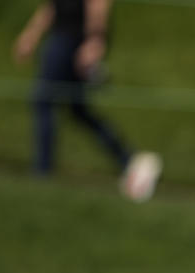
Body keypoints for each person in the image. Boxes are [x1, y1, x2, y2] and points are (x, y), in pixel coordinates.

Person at [13, 0, 160, 201]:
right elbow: (52, 7)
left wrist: (95, 40)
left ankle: (42, 172)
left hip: (72, 39)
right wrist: (31, 34)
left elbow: (98, 3)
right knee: (78, 109)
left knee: (44, 101)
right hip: (65, 37)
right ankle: (128, 160)